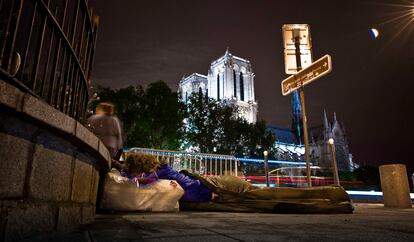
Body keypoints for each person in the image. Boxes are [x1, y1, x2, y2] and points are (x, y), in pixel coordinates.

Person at [122, 152, 354, 214]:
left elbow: (192, 191)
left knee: (275, 197)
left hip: (226, 188)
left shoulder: (161, 175)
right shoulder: (161, 170)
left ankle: (334, 195)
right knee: (273, 198)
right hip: (224, 185)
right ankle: (335, 196)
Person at [87, 102, 124, 167]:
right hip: (110, 144)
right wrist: (119, 146)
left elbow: (88, 129)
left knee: (95, 159)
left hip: (96, 141)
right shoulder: (114, 120)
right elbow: (118, 134)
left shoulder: (94, 118)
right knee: (106, 161)